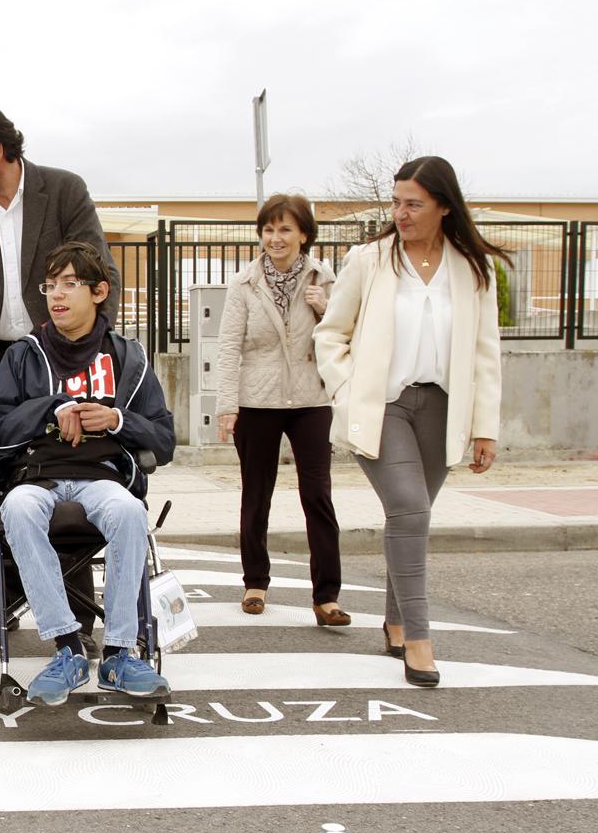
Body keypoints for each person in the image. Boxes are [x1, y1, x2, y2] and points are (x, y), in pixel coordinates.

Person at [314, 156, 506, 688]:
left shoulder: (471, 269)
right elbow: (330, 334)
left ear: (444, 207)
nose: (401, 213)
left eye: (413, 204)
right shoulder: (370, 260)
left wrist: (485, 426)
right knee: (409, 506)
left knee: (413, 518)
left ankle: (396, 620)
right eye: (396, 202)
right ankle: (419, 639)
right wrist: (347, 386)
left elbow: (486, 352)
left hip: (444, 410)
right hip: (383, 408)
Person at [0, 242, 176, 707]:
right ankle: (67, 648)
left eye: (70, 284)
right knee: (18, 510)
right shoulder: (25, 355)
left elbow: (164, 440)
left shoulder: (129, 357)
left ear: (99, 291)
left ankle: (117, 653)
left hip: (103, 475)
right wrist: (53, 405)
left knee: (129, 511)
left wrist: (117, 420)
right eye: (51, 285)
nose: (56, 295)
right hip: (37, 474)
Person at [216, 193, 347, 626]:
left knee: (318, 495)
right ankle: (255, 582)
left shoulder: (326, 279)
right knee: (256, 495)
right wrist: (226, 406)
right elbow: (229, 346)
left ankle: (326, 596)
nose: (276, 237)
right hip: (257, 400)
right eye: (269, 229)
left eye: (286, 229)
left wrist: (324, 309)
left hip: (311, 399)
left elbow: (345, 336)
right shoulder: (243, 284)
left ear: (304, 234)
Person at [0, 105, 120, 397]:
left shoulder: (65, 190)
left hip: (63, 354)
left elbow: (96, 271)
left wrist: (90, 346)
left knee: (65, 442)